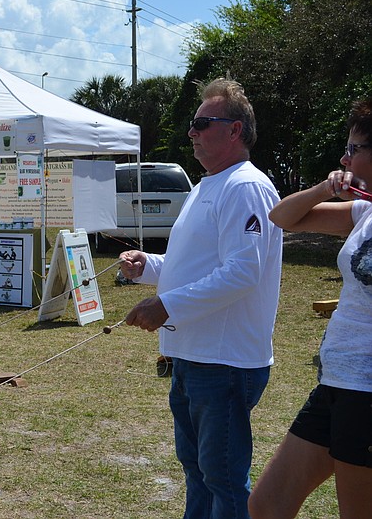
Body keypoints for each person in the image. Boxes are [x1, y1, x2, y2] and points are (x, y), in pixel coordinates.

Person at [118, 78, 283, 518]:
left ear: (234, 130)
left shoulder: (245, 186)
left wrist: (167, 304)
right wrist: (149, 267)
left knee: (223, 477)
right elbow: (194, 263)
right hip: (194, 355)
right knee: (198, 470)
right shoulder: (207, 185)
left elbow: (243, 272)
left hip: (224, 360)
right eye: (193, 123)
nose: (191, 131)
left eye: (201, 123)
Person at [248, 97, 372, 519]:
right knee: (267, 506)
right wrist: (325, 187)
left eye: (354, 149)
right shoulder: (364, 212)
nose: (344, 156)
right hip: (337, 381)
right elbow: (283, 217)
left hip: (368, 393)